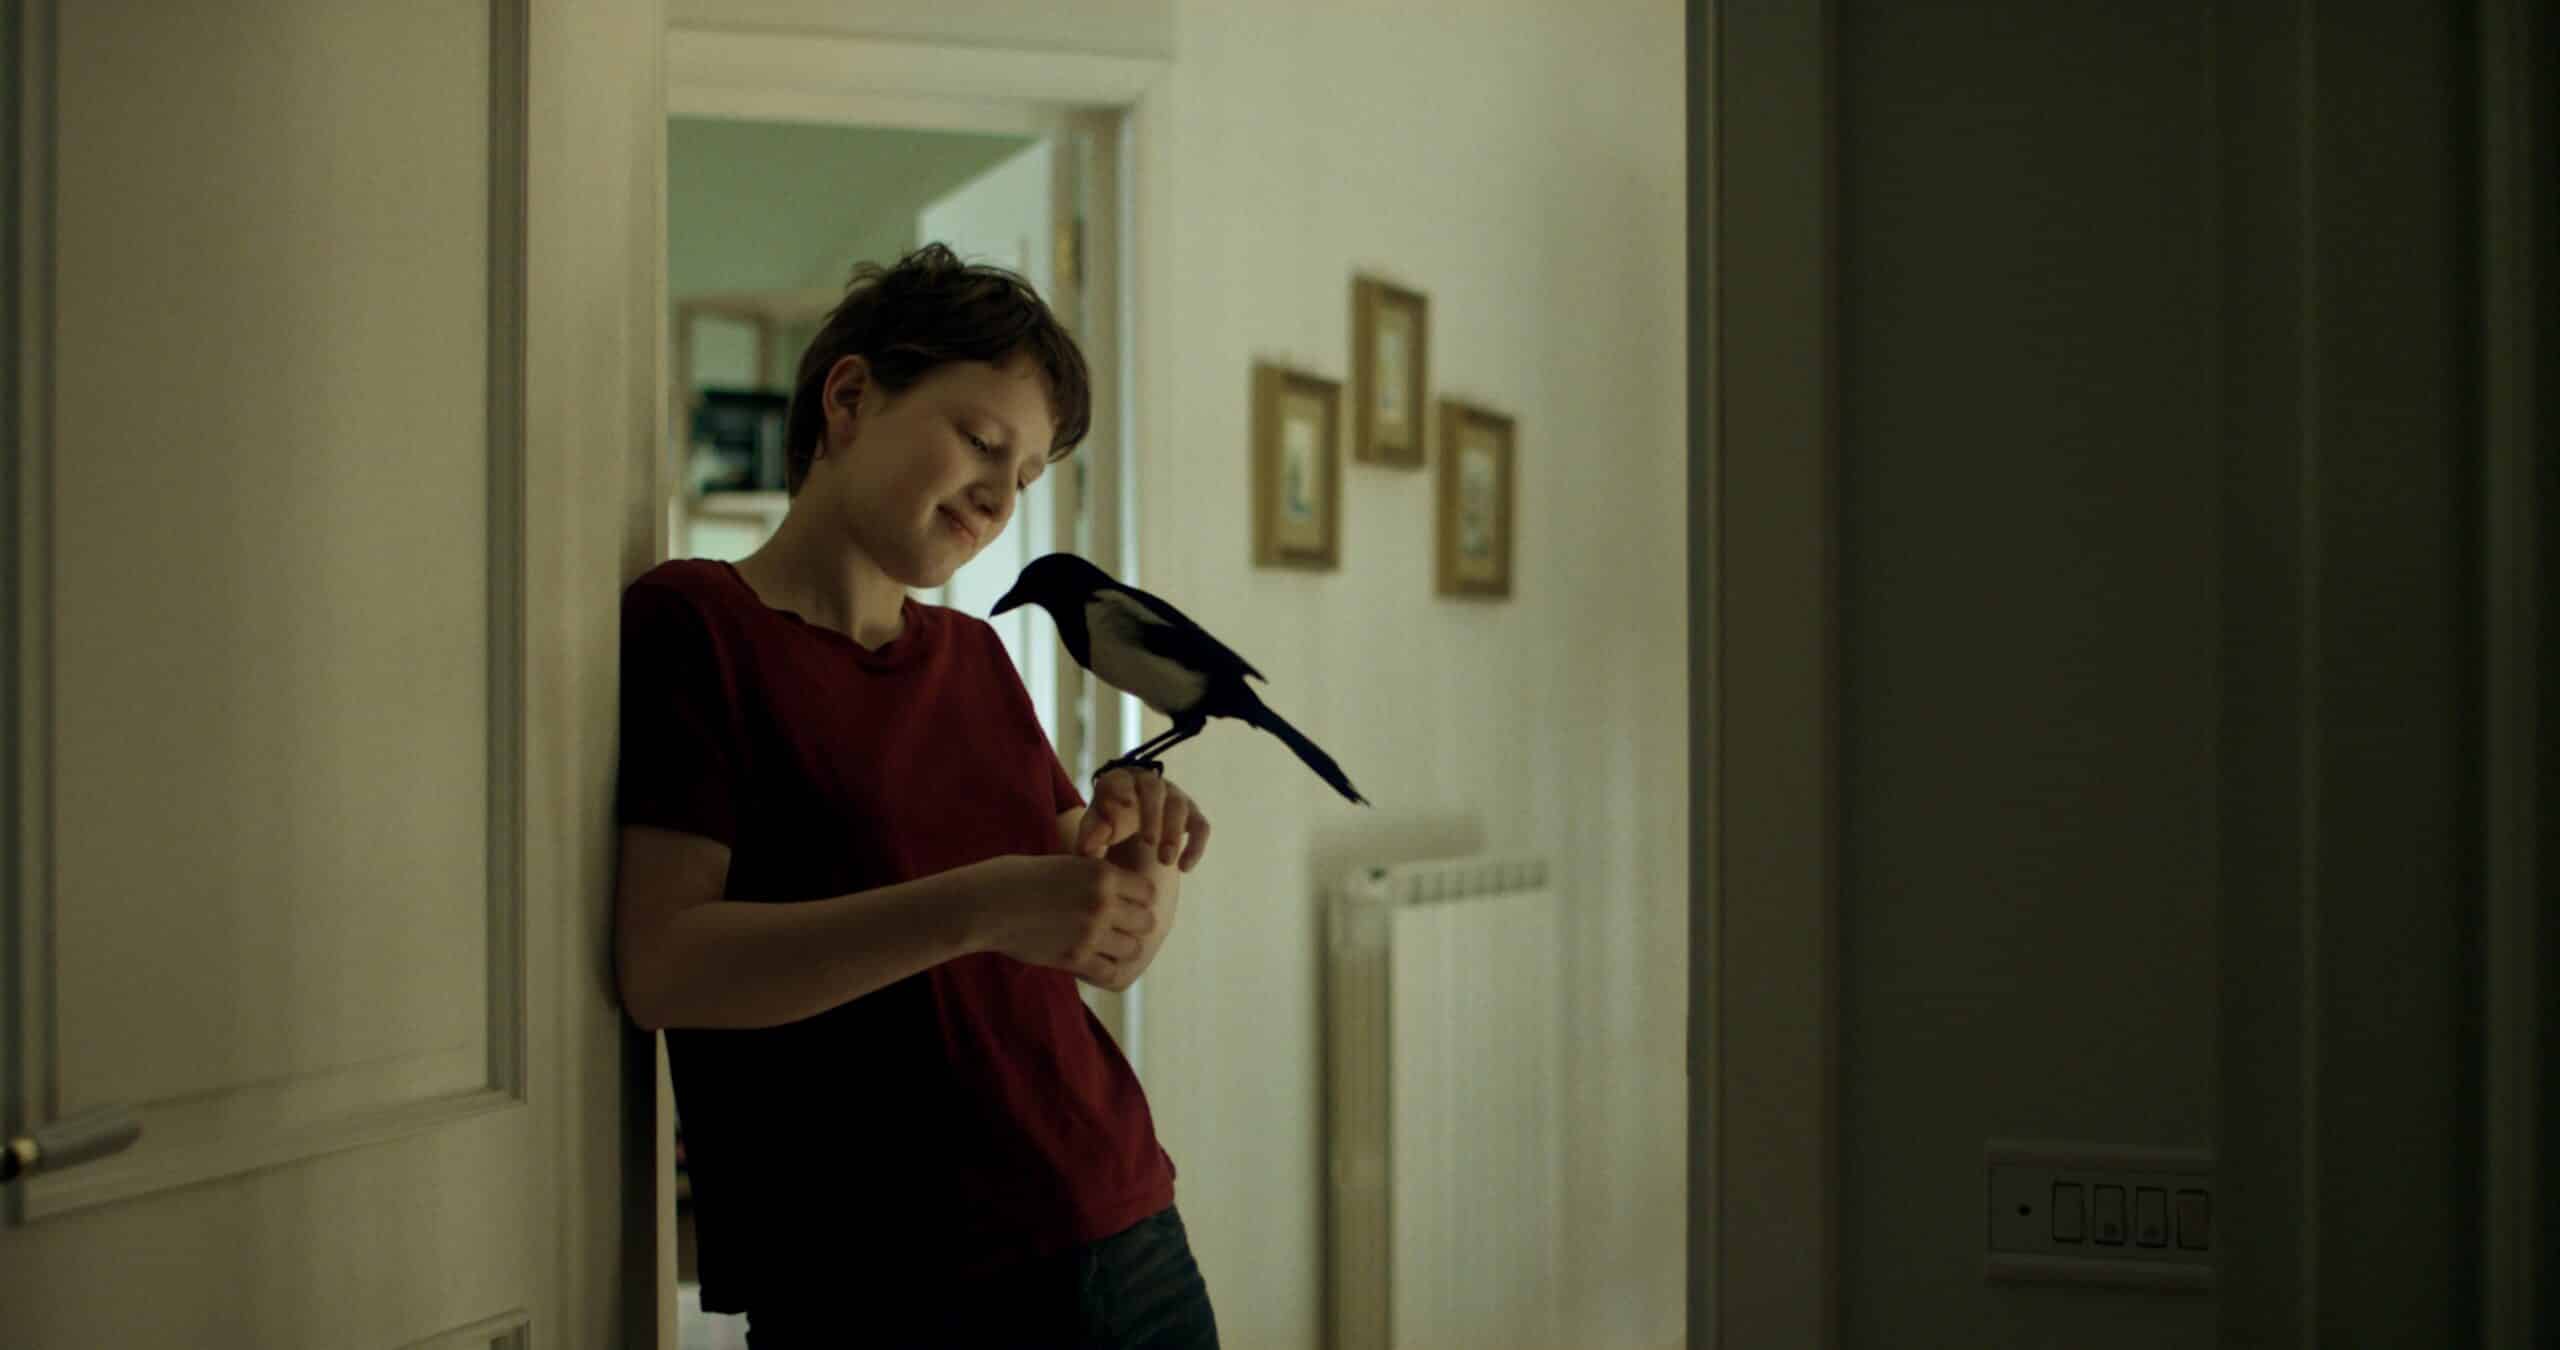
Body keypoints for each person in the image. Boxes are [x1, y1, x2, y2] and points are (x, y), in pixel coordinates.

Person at [614, 244, 1221, 1348]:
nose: (998, 496)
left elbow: (1095, 941)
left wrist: (1138, 865)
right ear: (849, 399)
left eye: (1025, 476)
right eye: (982, 441)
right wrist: (980, 905)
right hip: (881, 1283)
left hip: (1124, 1231)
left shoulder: (975, 658)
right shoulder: (694, 625)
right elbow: (663, 964)